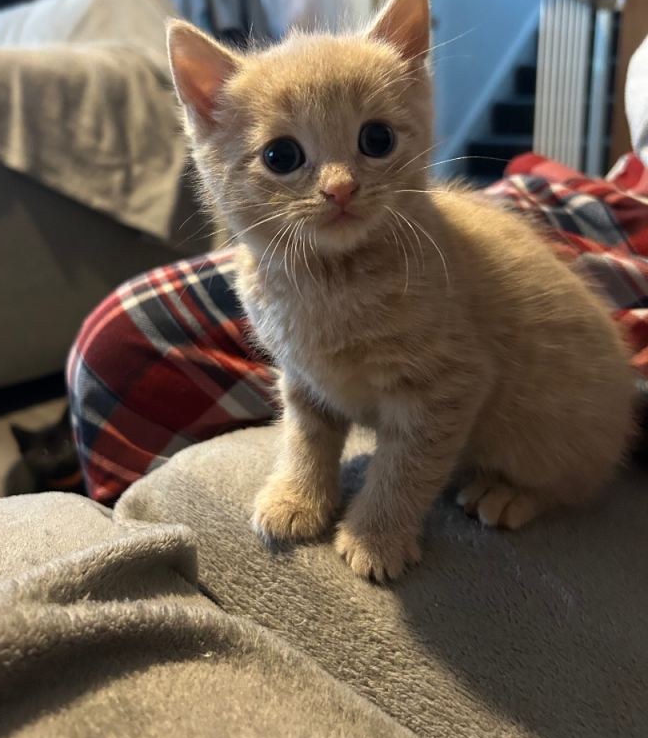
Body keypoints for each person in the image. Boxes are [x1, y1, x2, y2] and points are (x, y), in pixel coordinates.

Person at [68, 153, 648, 504]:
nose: (340, 183)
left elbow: (450, 388)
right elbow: (302, 378)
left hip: (554, 428)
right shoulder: (260, 271)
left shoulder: (416, 265)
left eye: (375, 142)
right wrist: (306, 480)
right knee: (124, 339)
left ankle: (540, 493)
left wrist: (383, 520)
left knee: (505, 437)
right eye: (282, 156)